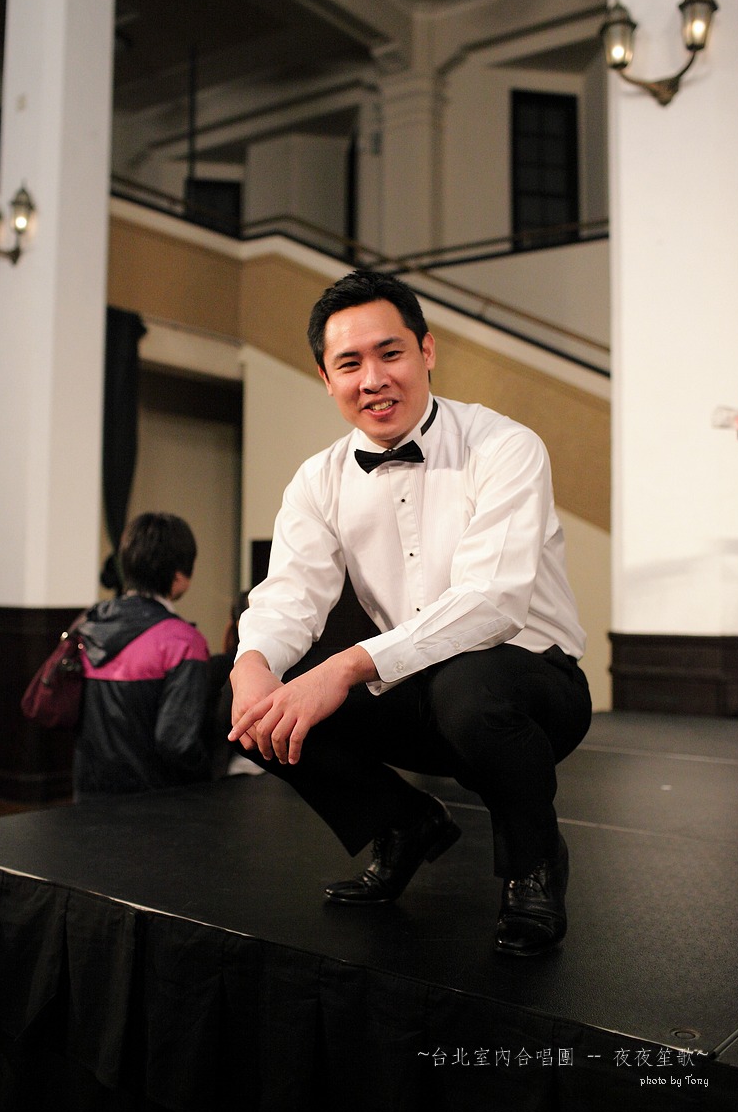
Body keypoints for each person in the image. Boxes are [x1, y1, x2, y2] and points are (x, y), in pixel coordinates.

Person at [228, 270, 592, 956]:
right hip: (417, 685)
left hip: (534, 689)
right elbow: (289, 595)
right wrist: (252, 666)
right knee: (255, 706)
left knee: (470, 688)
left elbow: (491, 602)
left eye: (390, 353)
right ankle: (402, 824)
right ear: (325, 378)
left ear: (426, 350)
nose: (373, 379)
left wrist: (346, 667)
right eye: (349, 364)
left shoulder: (505, 446)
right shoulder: (318, 479)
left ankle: (535, 863)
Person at [75, 512, 212, 798]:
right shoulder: (183, 643)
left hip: (87, 794)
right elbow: (177, 742)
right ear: (179, 575)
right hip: (153, 804)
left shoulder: (90, 624)